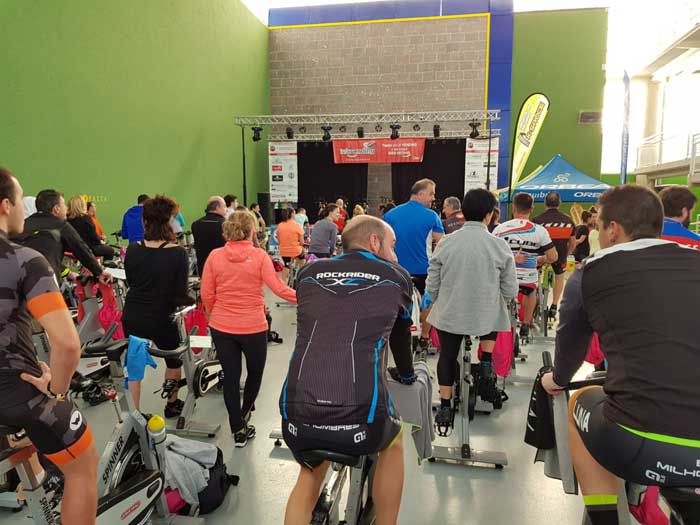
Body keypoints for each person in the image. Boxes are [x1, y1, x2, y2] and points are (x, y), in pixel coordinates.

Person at [541, 185, 700, 525]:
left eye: (599, 227)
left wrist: (557, 379)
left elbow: (570, 350)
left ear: (612, 229)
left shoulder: (591, 271)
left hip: (640, 442)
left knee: (578, 401)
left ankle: (605, 518)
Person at [280, 215, 415, 525]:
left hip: (296, 411)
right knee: (394, 442)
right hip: (361, 418)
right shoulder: (397, 276)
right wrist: (407, 375)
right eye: (392, 246)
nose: (395, 255)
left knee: (310, 472)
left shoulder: (309, 272)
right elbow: (401, 340)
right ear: (374, 242)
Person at [0, 168, 98, 525]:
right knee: (83, 467)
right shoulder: (24, 260)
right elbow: (68, 345)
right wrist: (57, 390)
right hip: (17, 395)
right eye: (19, 201)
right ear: (5, 205)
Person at [201, 211, 296, 447]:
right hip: (253, 327)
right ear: (252, 230)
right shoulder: (259, 256)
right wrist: (309, 296)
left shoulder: (214, 256)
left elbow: (206, 293)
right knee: (254, 374)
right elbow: (279, 289)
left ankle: (238, 429)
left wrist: (216, 314)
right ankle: (244, 416)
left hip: (222, 327)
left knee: (231, 377)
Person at [428, 189, 518, 425]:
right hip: (485, 318)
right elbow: (510, 290)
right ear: (489, 215)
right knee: (496, 308)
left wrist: (438, 297)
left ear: (464, 212)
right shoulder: (499, 245)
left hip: (451, 314)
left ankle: (445, 407)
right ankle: (486, 361)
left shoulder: (446, 242)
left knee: (447, 356)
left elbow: (432, 283)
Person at [121, 196, 194, 416]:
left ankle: (133, 416)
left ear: (145, 221)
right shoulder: (177, 252)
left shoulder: (132, 249)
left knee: (133, 368)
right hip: (162, 317)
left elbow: (131, 282)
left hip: (133, 315)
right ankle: (172, 403)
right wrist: (192, 300)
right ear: (168, 222)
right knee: (173, 361)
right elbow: (180, 294)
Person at [493, 193, 557, 340]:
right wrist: (540, 259)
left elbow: (491, 255)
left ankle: (498, 326)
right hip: (527, 279)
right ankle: (526, 324)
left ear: (514, 208)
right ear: (532, 209)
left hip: (504, 279)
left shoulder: (500, 229)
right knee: (531, 291)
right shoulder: (539, 231)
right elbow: (553, 257)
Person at [14, 189, 110, 285]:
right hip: (45, 283)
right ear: (56, 209)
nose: (66, 208)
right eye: (64, 205)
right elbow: (80, 248)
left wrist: (68, 273)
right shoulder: (60, 225)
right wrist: (99, 272)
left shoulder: (22, 225)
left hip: (17, 281)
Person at [383, 178, 444, 296]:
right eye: (431, 194)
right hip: (423, 273)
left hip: (396, 271)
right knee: (424, 306)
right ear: (420, 194)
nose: (434, 198)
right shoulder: (432, 216)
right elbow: (442, 245)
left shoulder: (389, 215)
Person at [532, 192, 575, 319]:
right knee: (559, 277)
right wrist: (567, 254)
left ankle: (535, 300)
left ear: (545, 203)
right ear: (559, 203)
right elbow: (572, 243)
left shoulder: (537, 221)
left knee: (534, 277)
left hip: (541, 257)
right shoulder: (568, 221)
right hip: (560, 257)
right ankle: (554, 305)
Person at [66, 196, 116, 261]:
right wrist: (100, 241)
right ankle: (104, 266)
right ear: (82, 205)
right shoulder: (86, 218)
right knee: (110, 251)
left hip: (71, 248)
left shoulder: (66, 219)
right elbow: (94, 237)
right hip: (87, 248)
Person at [191, 196, 227, 276]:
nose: (226, 209)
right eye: (224, 206)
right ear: (217, 208)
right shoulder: (226, 224)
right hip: (222, 269)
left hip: (203, 268)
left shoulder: (196, 224)